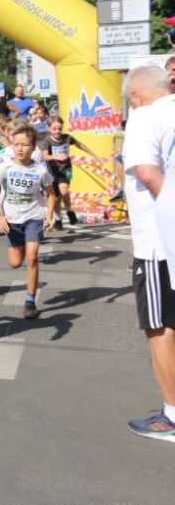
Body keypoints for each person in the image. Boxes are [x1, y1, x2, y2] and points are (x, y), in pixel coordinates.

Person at [121, 65, 175, 443]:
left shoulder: (143, 117)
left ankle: (172, 416)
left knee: (159, 329)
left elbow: (147, 173)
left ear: (137, 95)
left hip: (158, 243)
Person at [0, 122, 55, 319]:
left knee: (32, 257)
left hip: (34, 217)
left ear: (33, 147)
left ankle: (30, 300)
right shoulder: (5, 167)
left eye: (25, 145)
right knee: (15, 263)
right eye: (16, 144)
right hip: (12, 219)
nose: (20, 148)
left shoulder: (40, 170)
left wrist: (50, 215)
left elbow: (51, 194)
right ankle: (25, 246)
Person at [42, 116, 103, 229]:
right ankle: (58, 218)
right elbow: (45, 156)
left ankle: (69, 210)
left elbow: (80, 145)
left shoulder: (67, 138)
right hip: (53, 172)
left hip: (66, 170)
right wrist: (56, 156)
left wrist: (94, 156)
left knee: (64, 190)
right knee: (56, 197)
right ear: (49, 128)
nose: (57, 132)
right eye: (54, 129)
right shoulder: (47, 141)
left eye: (59, 129)